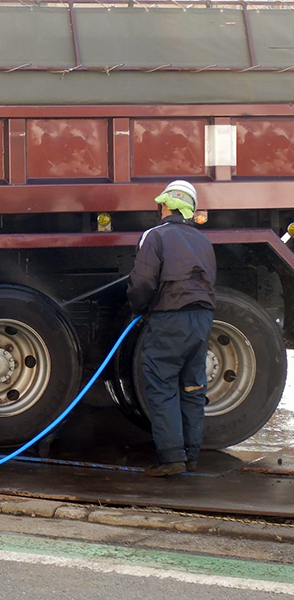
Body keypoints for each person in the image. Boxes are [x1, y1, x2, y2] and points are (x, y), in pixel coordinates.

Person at [127, 180, 217, 477]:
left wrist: (139, 310)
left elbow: (142, 281)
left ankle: (170, 458)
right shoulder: (203, 241)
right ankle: (191, 455)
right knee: (192, 387)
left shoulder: (155, 236)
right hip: (202, 318)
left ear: (164, 205)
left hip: (170, 318)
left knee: (162, 384)